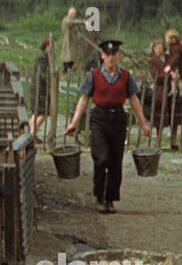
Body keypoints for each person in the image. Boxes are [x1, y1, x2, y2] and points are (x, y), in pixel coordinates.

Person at [64, 39, 151, 214]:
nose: (111, 58)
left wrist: (143, 122)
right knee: (101, 158)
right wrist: (74, 122)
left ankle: (110, 199)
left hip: (118, 119)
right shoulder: (94, 75)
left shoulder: (126, 76)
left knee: (115, 162)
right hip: (99, 119)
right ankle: (98, 195)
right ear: (102, 56)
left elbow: (133, 99)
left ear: (118, 55)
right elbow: (83, 99)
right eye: (107, 54)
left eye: (114, 54)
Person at [153, 29, 182, 149]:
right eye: (157, 48)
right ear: (154, 49)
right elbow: (156, 76)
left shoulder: (171, 54)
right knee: (160, 119)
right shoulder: (152, 61)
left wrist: (175, 72)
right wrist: (169, 74)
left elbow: (177, 61)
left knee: (175, 117)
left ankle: (173, 142)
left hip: (173, 90)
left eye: (161, 47)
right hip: (161, 92)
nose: (160, 50)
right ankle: (158, 142)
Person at [29, 37, 53, 140]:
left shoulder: (45, 56)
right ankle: (31, 134)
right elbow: (43, 75)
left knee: (37, 113)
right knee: (41, 113)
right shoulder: (42, 57)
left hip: (41, 89)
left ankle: (30, 133)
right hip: (40, 90)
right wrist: (52, 83)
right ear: (47, 46)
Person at [59, 7, 85, 72]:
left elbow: (76, 32)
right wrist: (82, 22)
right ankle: (65, 72)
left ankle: (69, 72)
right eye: (72, 13)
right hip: (67, 43)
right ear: (68, 13)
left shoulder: (73, 22)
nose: (73, 15)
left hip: (73, 44)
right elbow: (71, 22)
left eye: (74, 14)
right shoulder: (66, 20)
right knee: (67, 59)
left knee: (72, 58)